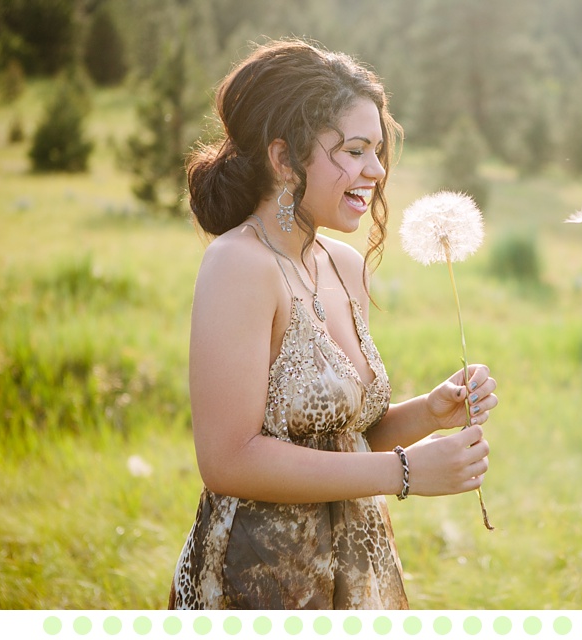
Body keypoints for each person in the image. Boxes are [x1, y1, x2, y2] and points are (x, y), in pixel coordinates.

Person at [168, 38, 498, 610]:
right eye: (354, 149)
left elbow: (344, 441)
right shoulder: (238, 264)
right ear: (282, 158)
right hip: (259, 582)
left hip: (358, 575)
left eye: (378, 151)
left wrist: (428, 412)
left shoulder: (344, 267)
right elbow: (228, 459)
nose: (375, 170)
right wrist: (404, 472)